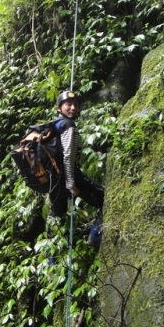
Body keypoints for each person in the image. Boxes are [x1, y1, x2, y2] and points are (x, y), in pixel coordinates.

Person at [50, 90, 104, 244]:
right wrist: (71, 184)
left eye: (75, 105)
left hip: (53, 180)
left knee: (56, 217)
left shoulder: (53, 125)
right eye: (68, 104)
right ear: (59, 107)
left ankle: (52, 261)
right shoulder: (68, 125)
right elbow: (68, 156)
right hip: (69, 177)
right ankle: (95, 237)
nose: (73, 108)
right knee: (104, 200)